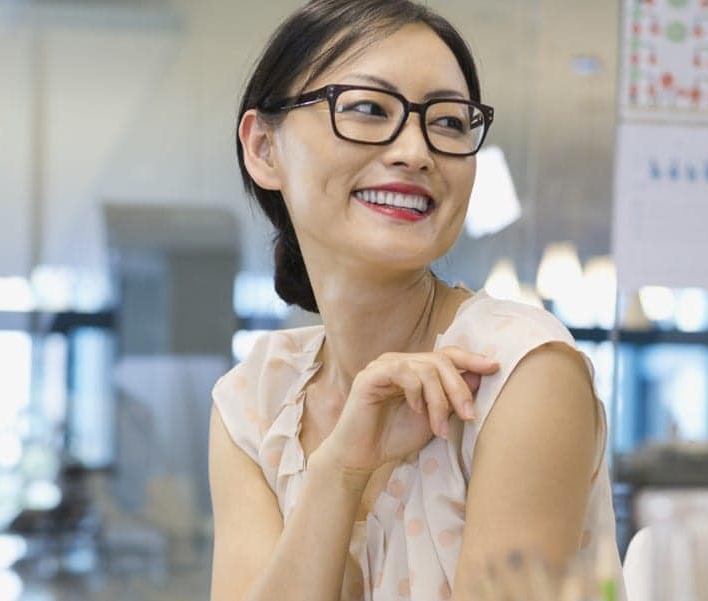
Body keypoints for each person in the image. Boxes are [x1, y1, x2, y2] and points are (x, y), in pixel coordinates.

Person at [209, 1, 621, 599]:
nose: (416, 150)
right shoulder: (255, 403)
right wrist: (339, 469)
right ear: (264, 148)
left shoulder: (520, 372)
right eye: (369, 109)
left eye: (450, 122)